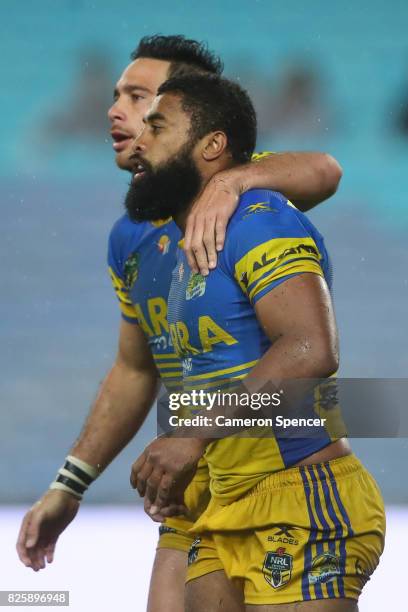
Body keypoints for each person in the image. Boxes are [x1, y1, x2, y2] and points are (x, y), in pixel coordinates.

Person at [16, 35, 343, 612]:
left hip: (283, 474)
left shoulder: (247, 193)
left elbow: (325, 169)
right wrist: (69, 485)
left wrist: (233, 180)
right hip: (202, 487)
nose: (118, 111)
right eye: (116, 94)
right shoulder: (131, 235)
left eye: (141, 98)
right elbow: (134, 367)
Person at [128, 73, 386, 610]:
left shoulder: (256, 221)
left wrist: (192, 437)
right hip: (226, 503)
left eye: (157, 126)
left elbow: (310, 348)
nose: (139, 139)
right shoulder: (183, 241)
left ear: (212, 145)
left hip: (299, 497)